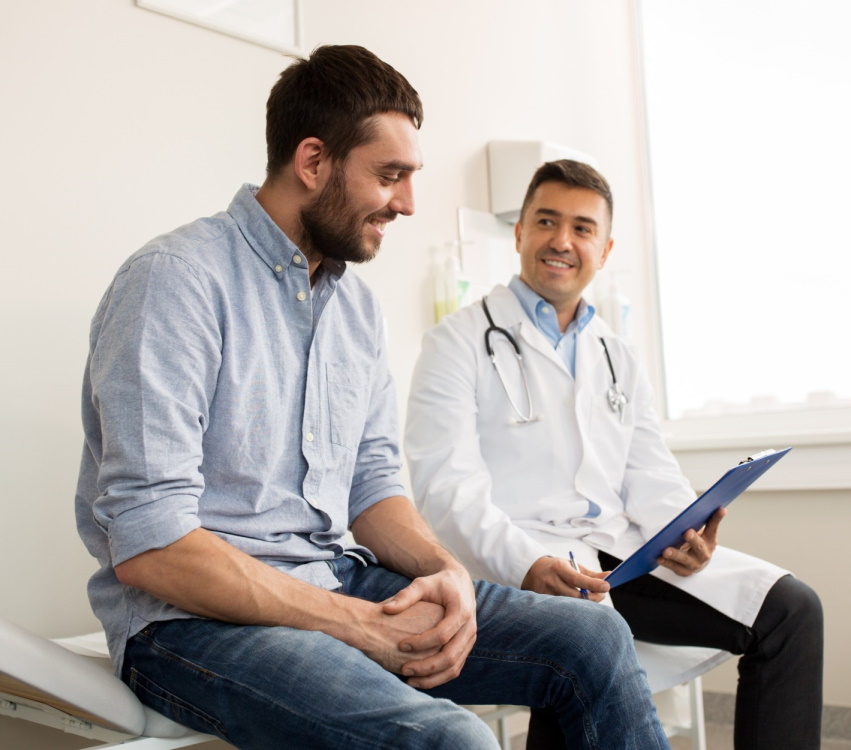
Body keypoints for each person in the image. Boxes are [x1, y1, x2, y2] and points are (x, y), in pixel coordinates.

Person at [74, 47, 670, 749]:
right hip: (189, 623)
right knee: (454, 740)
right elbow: (153, 548)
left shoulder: (353, 309)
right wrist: (353, 623)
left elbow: (372, 488)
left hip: (334, 577)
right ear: (313, 161)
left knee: (592, 637)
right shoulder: (175, 282)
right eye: (389, 176)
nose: (408, 203)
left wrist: (446, 574)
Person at [405, 158, 824, 750]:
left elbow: (649, 471)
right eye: (546, 221)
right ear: (520, 232)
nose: (562, 240)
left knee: (790, 610)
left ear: (603, 250)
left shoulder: (616, 355)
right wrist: (525, 564)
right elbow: (445, 491)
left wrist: (687, 530)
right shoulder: (456, 343)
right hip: (519, 561)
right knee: (581, 645)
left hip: (622, 556)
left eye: (582, 228)